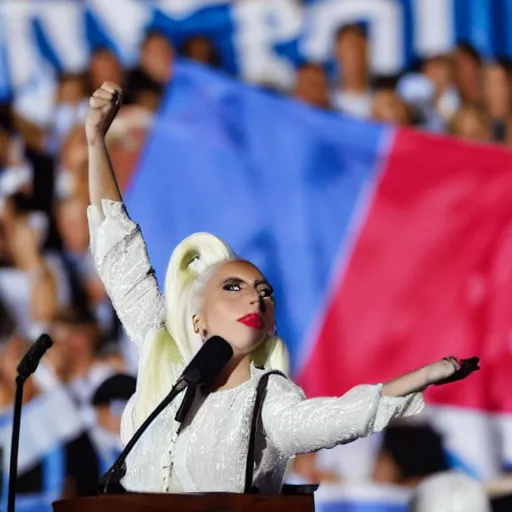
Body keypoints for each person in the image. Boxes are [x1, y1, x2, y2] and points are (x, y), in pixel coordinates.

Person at [85, 81, 480, 495]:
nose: (255, 296)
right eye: (233, 287)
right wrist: (96, 140)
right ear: (197, 318)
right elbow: (119, 253)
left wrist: (420, 378)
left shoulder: (267, 398)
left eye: (265, 291)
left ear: (271, 325)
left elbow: (339, 417)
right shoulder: (160, 360)